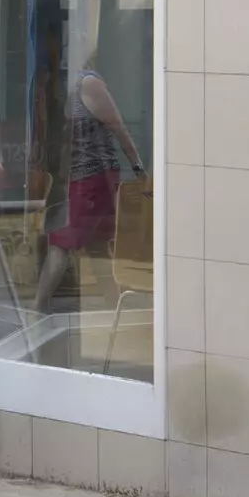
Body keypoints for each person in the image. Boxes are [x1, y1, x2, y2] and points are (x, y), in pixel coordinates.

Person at [33, 61, 147, 314]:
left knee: (85, 243)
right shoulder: (88, 83)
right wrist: (138, 167)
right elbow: (118, 127)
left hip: (77, 178)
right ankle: (40, 307)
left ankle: (111, 306)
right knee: (70, 243)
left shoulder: (61, 88)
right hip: (90, 178)